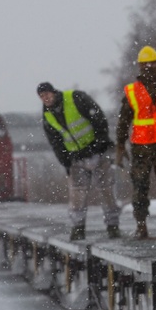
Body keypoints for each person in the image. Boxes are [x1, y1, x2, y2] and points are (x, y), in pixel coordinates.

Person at [38, 82, 121, 240]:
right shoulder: (48, 117)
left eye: (47, 94)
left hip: (97, 152)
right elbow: (55, 142)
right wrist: (66, 162)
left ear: (54, 92)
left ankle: (113, 226)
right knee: (77, 196)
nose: (45, 98)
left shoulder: (75, 98)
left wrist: (100, 142)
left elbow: (97, 116)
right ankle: (78, 228)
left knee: (107, 190)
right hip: (76, 158)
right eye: (42, 96)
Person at [115, 45, 156, 239]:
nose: (149, 67)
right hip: (141, 148)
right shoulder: (132, 91)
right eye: (145, 64)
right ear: (140, 66)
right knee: (140, 186)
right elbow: (124, 120)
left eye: (152, 63)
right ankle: (141, 226)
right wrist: (120, 145)